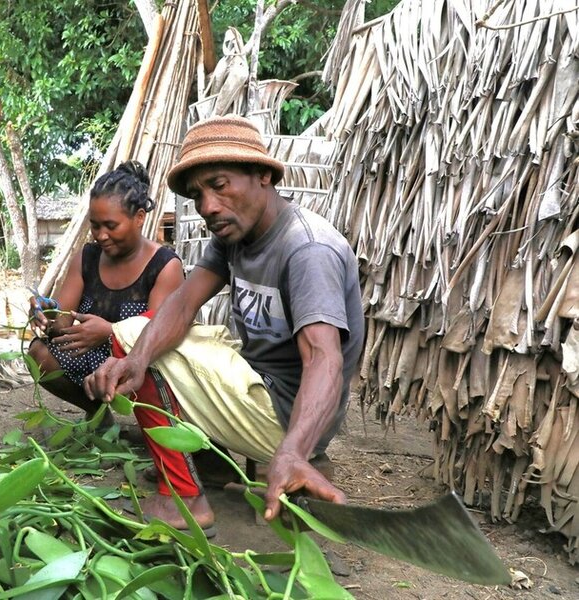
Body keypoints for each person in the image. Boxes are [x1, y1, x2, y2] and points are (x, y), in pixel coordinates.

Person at [83, 115, 365, 531]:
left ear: (263, 176)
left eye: (219, 185)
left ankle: (182, 497)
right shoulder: (235, 236)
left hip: (289, 417)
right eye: (198, 194)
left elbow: (325, 359)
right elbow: (182, 303)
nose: (208, 206)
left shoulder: (307, 249)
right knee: (156, 339)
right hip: (261, 387)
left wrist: (292, 452)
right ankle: (213, 464)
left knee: (129, 331)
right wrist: (137, 359)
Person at [28, 161, 184, 426]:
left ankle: (160, 427)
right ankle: (99, 417)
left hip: (144, 360)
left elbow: (161, 332)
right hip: (95, 362)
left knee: (159, 364)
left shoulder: (165, 266)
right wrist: (46, 312)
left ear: (139, 218)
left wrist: (112, 331)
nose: (101, 235)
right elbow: (62, 325)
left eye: (111, 225)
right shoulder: (87, 258)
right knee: (39, 354)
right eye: (95, 225)